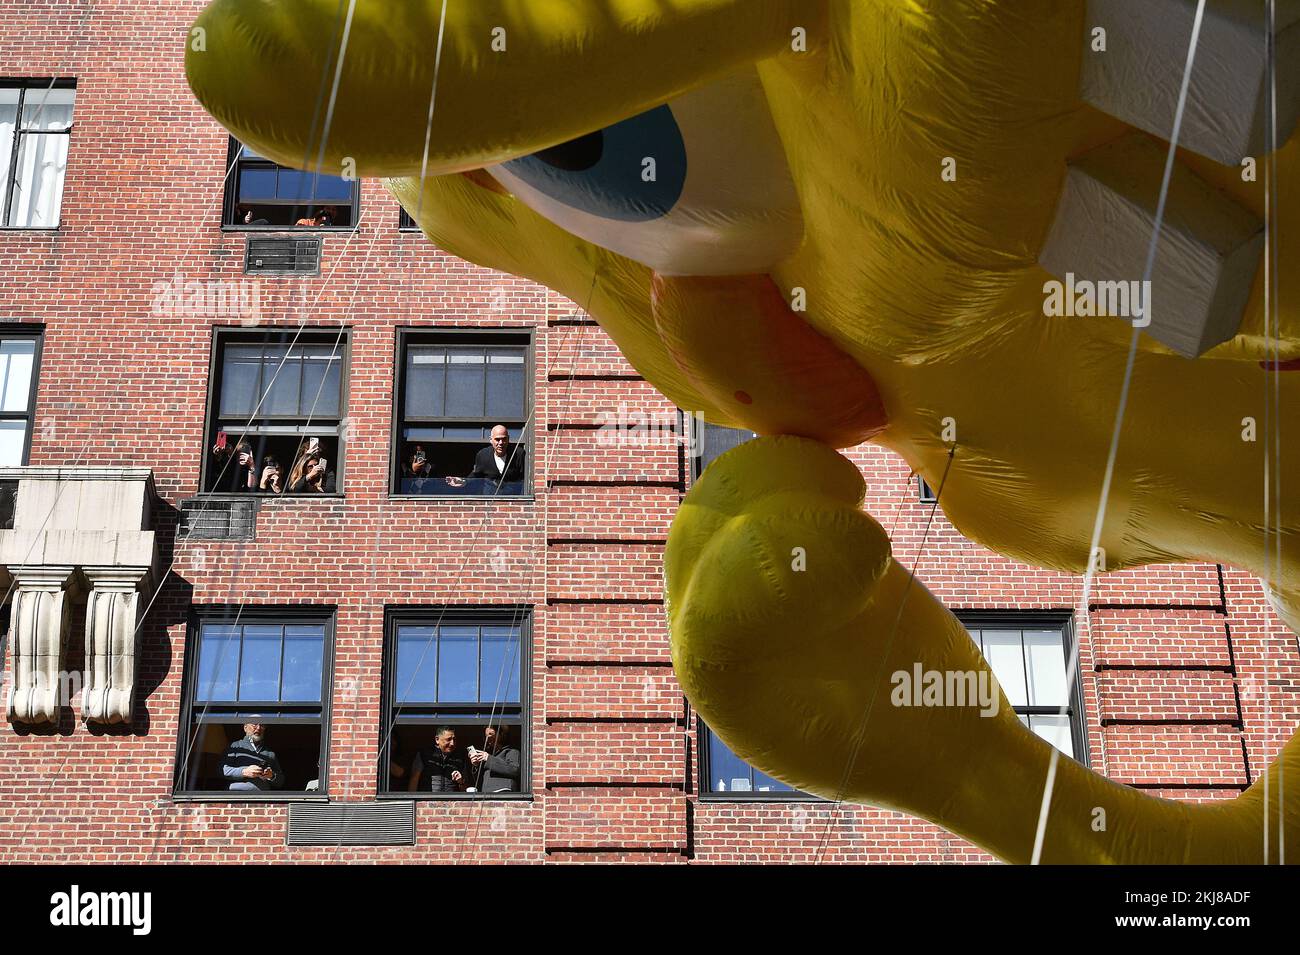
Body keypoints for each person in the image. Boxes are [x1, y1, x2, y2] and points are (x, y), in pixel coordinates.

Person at [444, 426, 526, 489]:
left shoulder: (518, 453)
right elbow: (476, 475)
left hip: (513, 500)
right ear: (491, 440)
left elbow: (524, 478)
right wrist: (463, 481)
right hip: (490, 499)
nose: (501, 443)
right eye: (497, 439)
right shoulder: (483, 455)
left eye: (504, 439)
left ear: (508, 439)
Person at [221, 722, 285, 791]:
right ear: (245, 727)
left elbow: (280, 782)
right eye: (254, 724)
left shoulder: (270, 753)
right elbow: (222, 771)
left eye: (262, 725)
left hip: (262, 798)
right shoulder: (234, 746)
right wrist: (244, 772)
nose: (258, 728)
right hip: (236, 796)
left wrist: (271, 775)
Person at [408, 726, 468, 793]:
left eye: (454, 739)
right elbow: (414, 779)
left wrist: (461, 781)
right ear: (437, 739)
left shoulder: (460, 757)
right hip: (427, 800)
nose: (452, 743)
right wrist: (411, 799)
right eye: (448, 739)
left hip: (452, 801)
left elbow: (465, 789)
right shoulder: (424, 754)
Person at [469, 724, 521, 793]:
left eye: (491, 734)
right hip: (486, 794)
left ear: (501, 734)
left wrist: (488, 758)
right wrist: (476, 765)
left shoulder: (512, 751)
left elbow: (514, 769)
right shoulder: (489, 755)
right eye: (486, 736)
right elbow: (478, 781)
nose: (488, 738)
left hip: (504, 793)